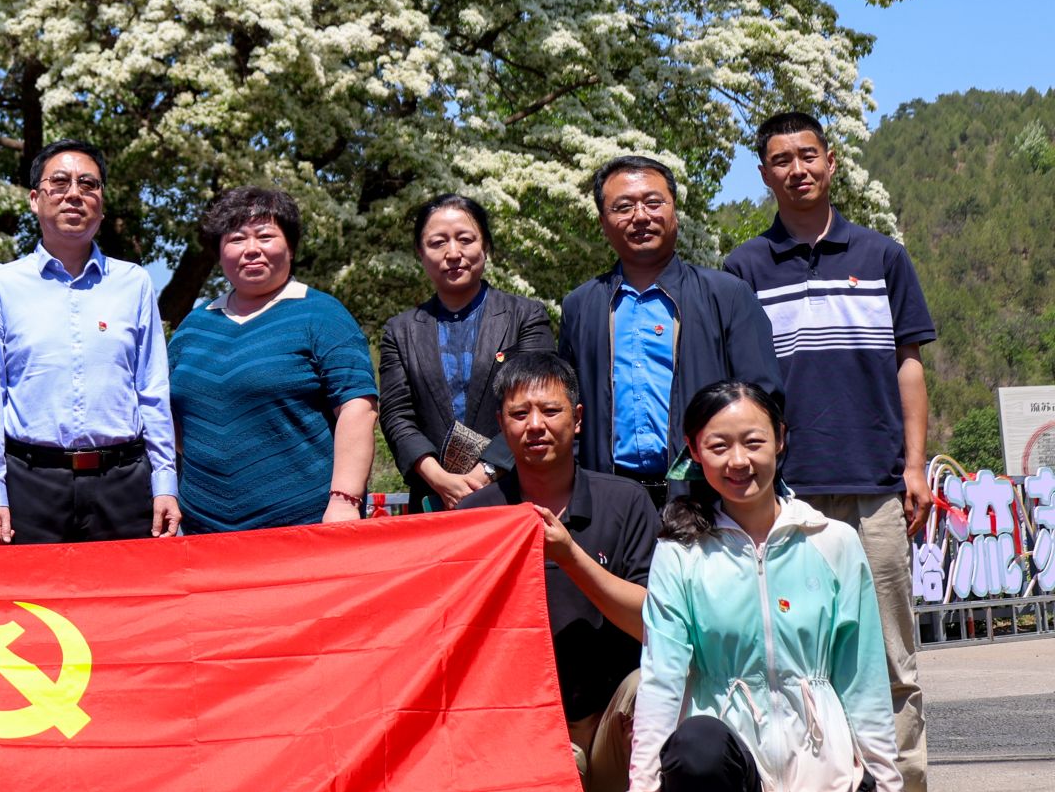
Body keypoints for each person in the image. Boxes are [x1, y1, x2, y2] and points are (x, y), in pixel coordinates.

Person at [722, 110, 940, 792]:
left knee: (891, 659)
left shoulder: (882, 256)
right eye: (781, 159)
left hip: (875, 486)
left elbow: (909, 364)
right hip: (787, 496)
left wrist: (915, 464)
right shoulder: (743, 268)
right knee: (789, 658)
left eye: (808, 155)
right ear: (765, 174)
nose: (797, 169)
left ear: (831, 160)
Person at [605, 380, 905, 792]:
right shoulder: (680, 553)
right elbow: (661, 678)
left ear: (780, 439)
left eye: (753, 442)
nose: (738, 461)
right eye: (718, 446)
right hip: (728, 788)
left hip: (822, 777)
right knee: (697, 744)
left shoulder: (834, 542)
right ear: (693, 451)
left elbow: (863, 681)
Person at [453, 352, 657, 792]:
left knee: (654, 686)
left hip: (611, 724)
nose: (535, 426)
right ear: (501, 426)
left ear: (577, 419)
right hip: (523, 725)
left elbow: (653, 623)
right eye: (519, 414)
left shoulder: (626, 502)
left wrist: (569, 556)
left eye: (550, 410)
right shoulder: (474, 516)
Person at [0, 139, 180, 544]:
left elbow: (152, 389)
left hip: (124, 482)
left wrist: (165, 482)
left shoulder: (134, 283)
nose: (74, 194)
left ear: (102, 203)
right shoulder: (0, 286)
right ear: (35, 199)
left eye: (88, 184)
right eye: (60, 182)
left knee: (131, 585)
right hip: (30, 483)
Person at [559, 156, 780, 505]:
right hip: (610, 498)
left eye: (653, 202)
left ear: (674, 210)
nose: (640, 216)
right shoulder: (580, 306)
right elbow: (566, 407)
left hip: (707, 494)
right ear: (603, 221)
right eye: (623, 207)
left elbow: (764, 400)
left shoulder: (727, 295)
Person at [166, 186, 378, 532]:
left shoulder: (322, 315)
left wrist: (344, 500)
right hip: (202, 530)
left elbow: (358, 408)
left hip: (306, 527)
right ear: (219, 252)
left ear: (290, 247)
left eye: (265, 236)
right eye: (236, 239)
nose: (251, 249)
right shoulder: (193, 326)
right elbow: (172, 416)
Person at [378, 194, 554, 511]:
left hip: (515, 493)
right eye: (438, 243)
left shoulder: (525, 317)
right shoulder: (400, 332)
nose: (453, 253)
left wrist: (485, 473)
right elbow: (397, 415)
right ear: (420, 253)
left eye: (465, 239)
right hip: (434, 498)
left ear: (485, 245)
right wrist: (439, 478)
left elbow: (536, 400)